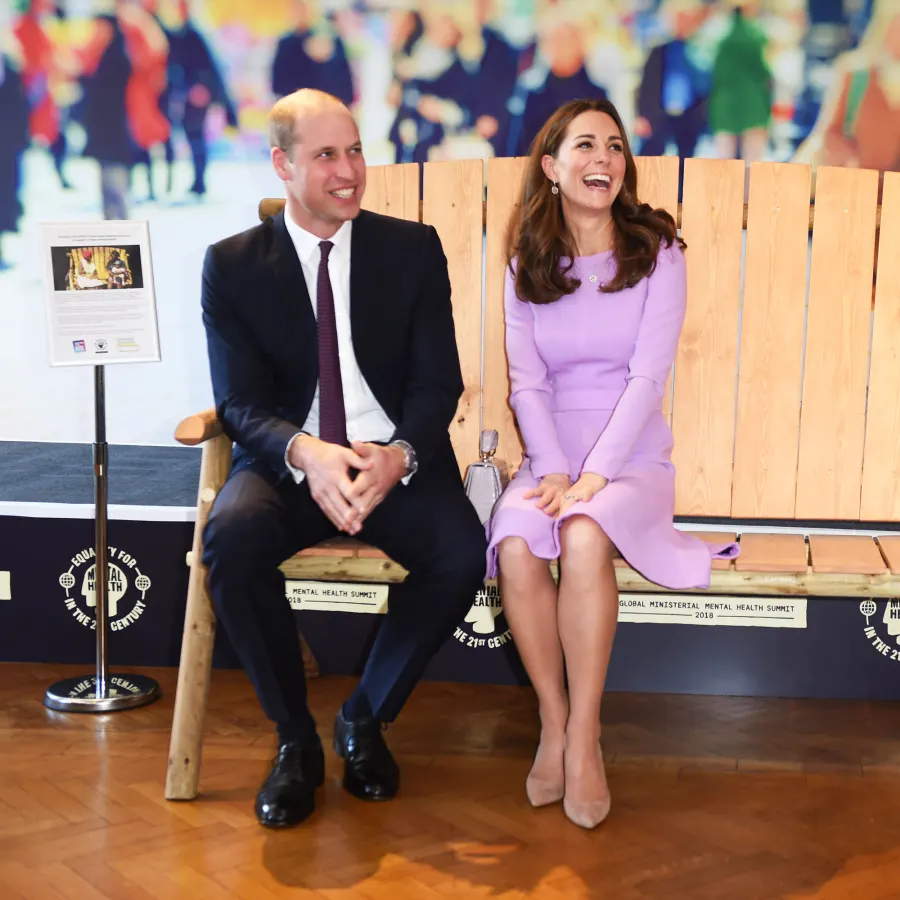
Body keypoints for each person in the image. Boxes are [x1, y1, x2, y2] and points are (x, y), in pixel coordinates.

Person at [200, 88, 487, 829]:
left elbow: (437, 381)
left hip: (390, 460)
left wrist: (399, 456)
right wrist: (307, 453)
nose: (349, 170)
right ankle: (295, 741)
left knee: (460, 551)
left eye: (355, 150)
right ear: (283, 165)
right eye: (326, 154)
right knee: (231, 538)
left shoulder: (412, 249)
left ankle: (363, 718)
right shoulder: (231, 265)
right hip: (290, 463)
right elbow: (238, 405)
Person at [485, 98, 739, 830]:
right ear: (552, 167)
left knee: (586, 532)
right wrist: (557, 471)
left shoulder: (658, 251)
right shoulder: (526, 262)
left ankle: (588, 735)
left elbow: (647, 378)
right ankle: (554, 721)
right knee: (515, 541)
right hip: (549, 457)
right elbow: (527, 382)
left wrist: (595, 476)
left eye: (616, 147)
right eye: (586, 145)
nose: (604, 158)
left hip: (630, 460)